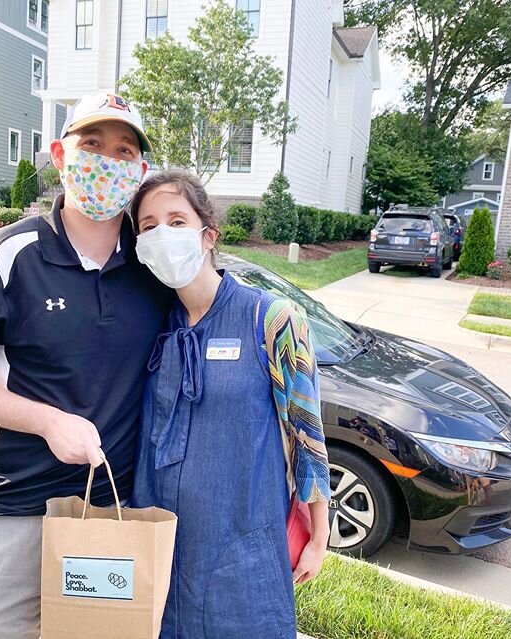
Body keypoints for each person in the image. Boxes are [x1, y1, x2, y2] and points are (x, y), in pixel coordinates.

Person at [0, 93, 172, 639]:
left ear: (141, 170)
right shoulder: (10, 255)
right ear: (60, 154)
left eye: (124, 150)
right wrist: (48, 422)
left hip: (110, 514)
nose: (108, 161)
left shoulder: (154, 267)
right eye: (92, 145)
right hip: (13, 510)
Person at [130, 169, 331, 638]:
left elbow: (308, 436)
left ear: (208, 235)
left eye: (176, 221)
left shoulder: (274, 320)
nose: (162, 234)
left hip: (241, 548)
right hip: (158, 540)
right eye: (148, 225)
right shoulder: (149, 323)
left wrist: (319, 535)